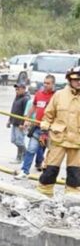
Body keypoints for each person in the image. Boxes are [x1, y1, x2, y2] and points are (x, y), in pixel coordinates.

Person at [36, 67, 80, 197]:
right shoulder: (59, 95)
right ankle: (44, 193)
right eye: (76, 79)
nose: (78, 82)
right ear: (69, 80)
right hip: (58, 138)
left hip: (77, 141)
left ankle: (72, 196)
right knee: (51, 168)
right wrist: (44, 131)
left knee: (75, 171)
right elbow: (48, 115)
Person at [16, 75, 56, 178]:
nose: (46, 85)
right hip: (38, 128)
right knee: (31, 149)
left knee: (51, 153)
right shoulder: (39, 94)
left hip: (50, 130)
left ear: (53, 84)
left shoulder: (56, 96)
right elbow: (33, 107)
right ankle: (24, 171)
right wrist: (27, 119)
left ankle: (47, 175)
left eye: (48, 83)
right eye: (45, 83)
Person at [7, 83, 30, 163]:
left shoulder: (26, 99)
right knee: (13, 140)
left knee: (19, 141)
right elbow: (13, 109)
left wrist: (22, 123)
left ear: (24, 89)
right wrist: (9, 120)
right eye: (16, 89)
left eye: (18, 89)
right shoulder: (17, 97)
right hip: (14, 122)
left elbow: (26, 112)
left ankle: (24, 155)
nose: (16, 91)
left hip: (20, 124)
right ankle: (23, 155)